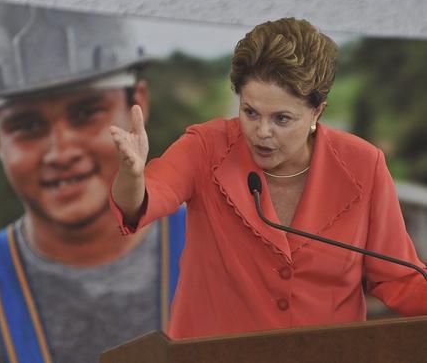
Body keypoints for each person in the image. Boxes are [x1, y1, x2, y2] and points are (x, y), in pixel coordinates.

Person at [0, 1, 186, 363]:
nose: (61, 151)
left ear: (136, 106)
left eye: (86, 113)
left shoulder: (242, 257)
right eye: (27, 125)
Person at [109, 17, 427, 340]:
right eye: (250, 112)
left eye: (282, 119)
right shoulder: (205, 148)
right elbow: (144, 200)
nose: (262, 132)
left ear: (317, 112)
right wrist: (132, 176)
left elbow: (399, 278)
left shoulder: (364, 166)